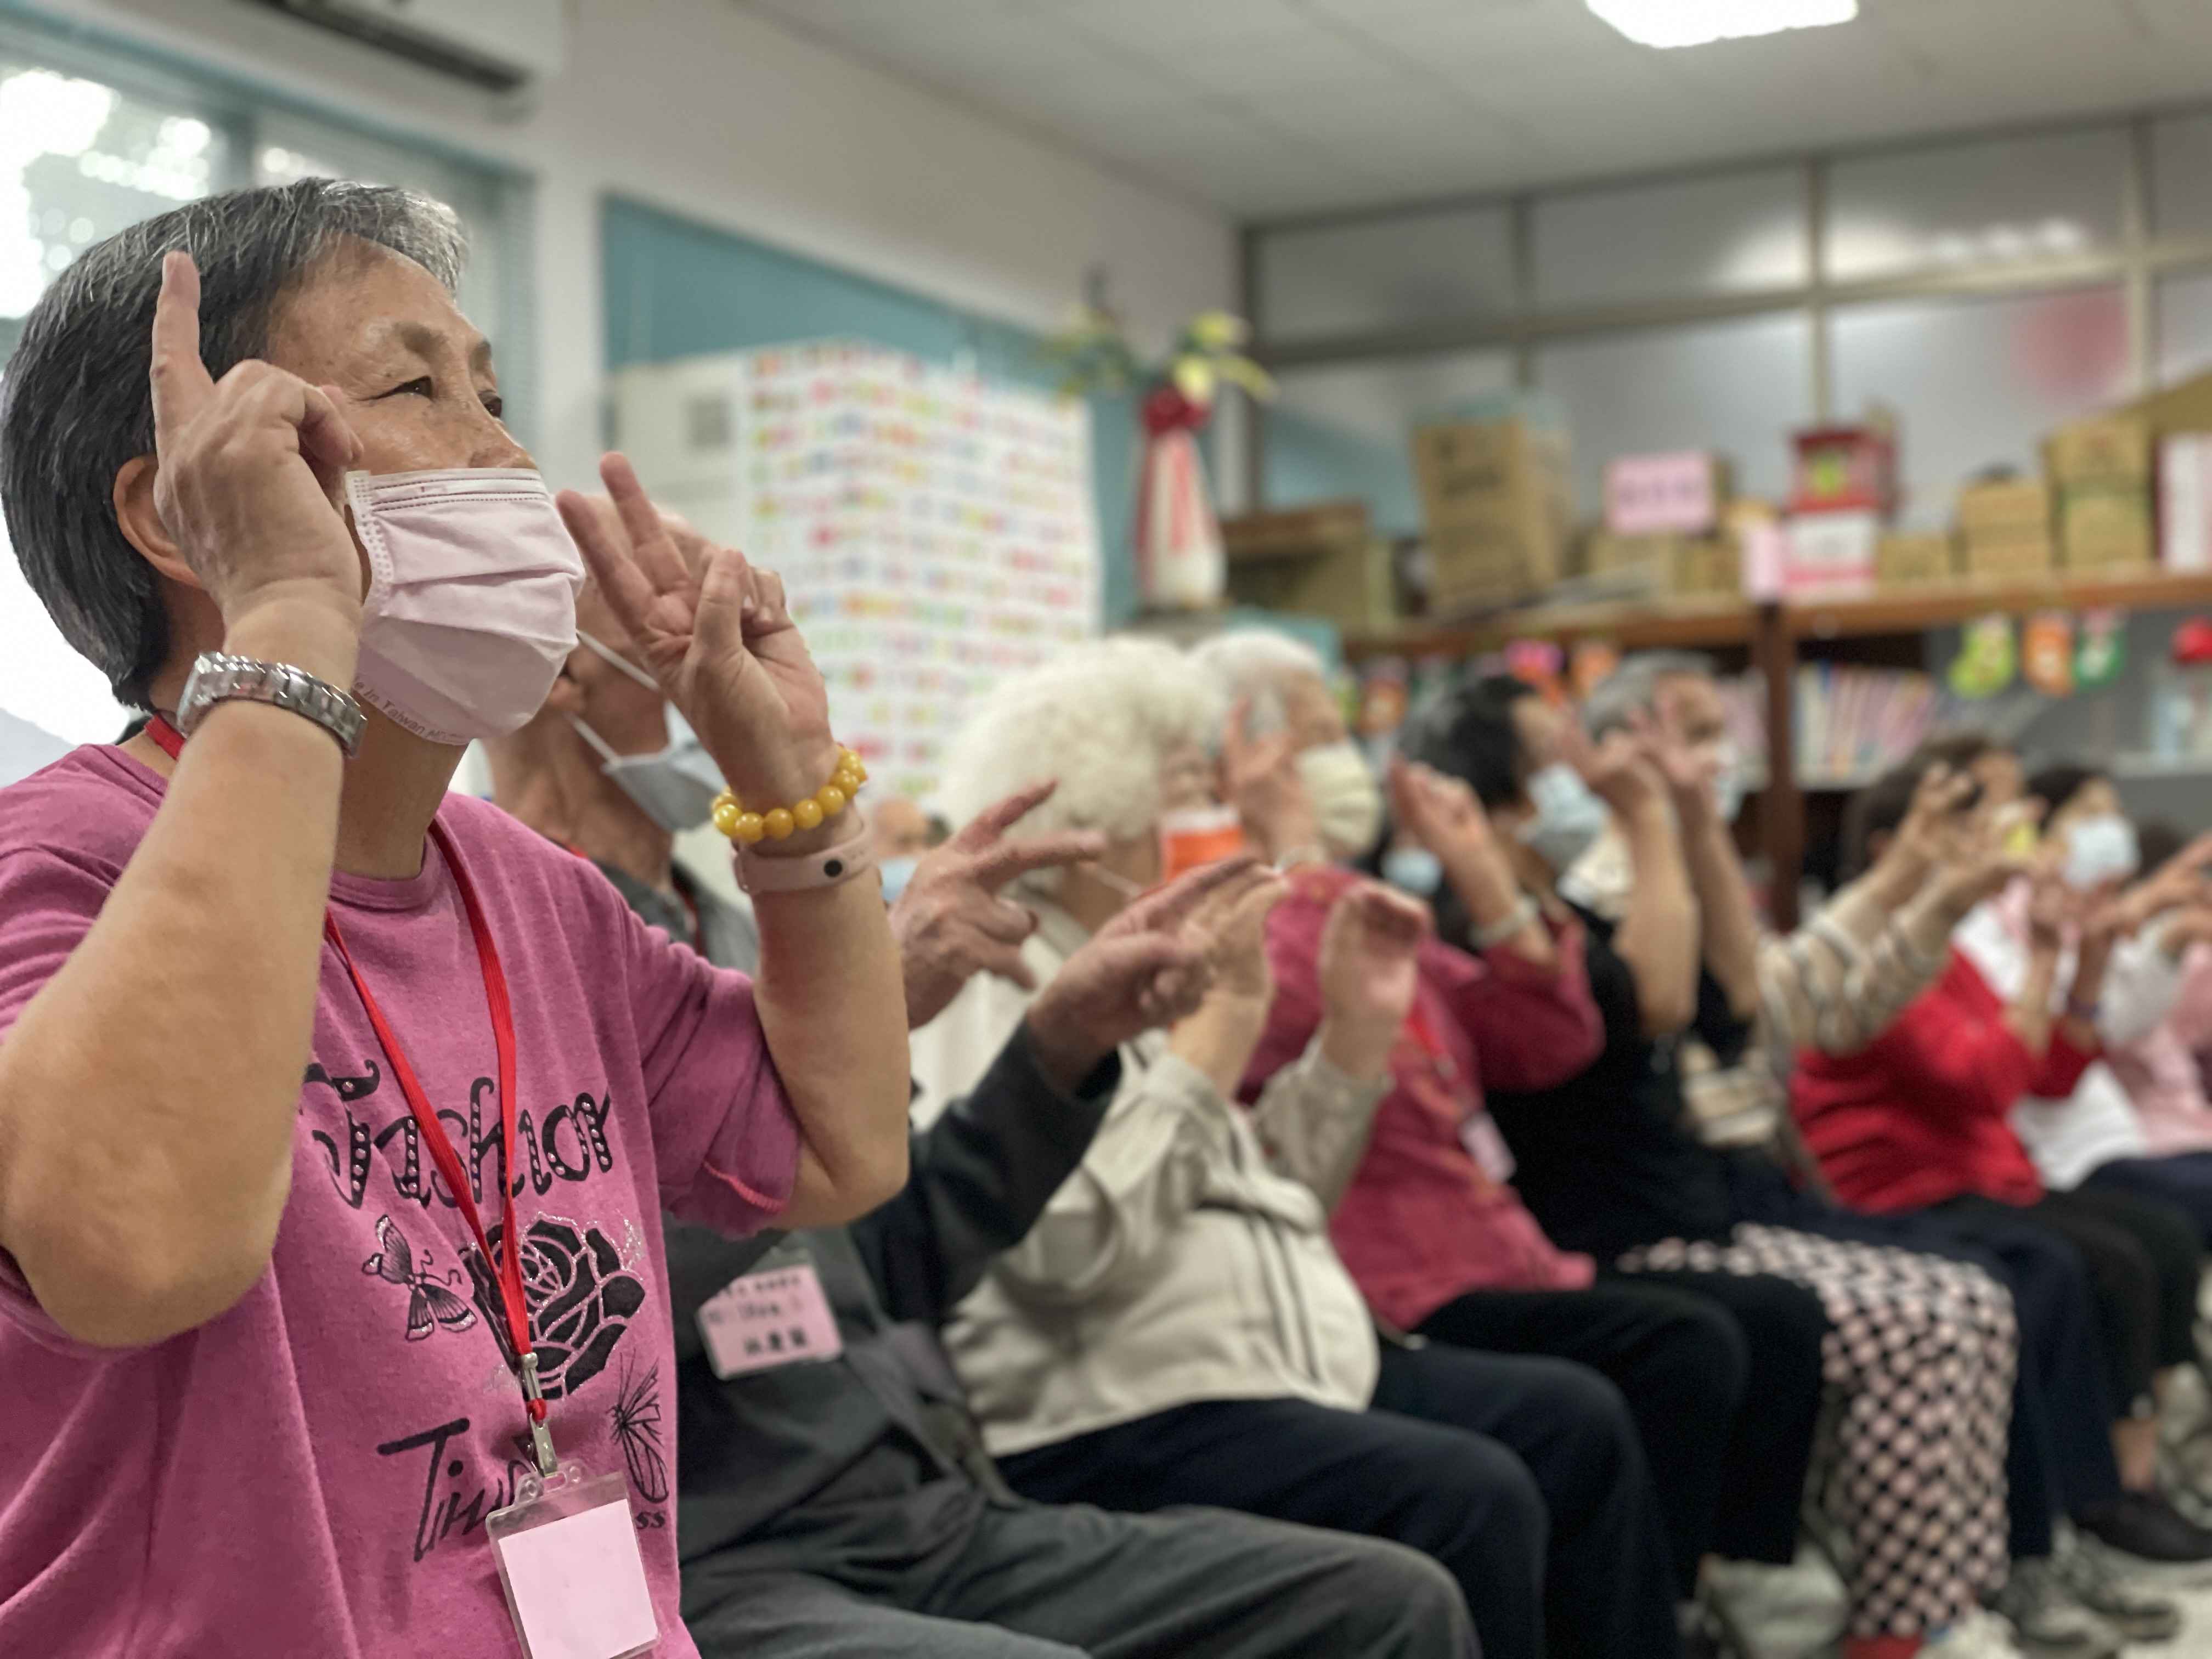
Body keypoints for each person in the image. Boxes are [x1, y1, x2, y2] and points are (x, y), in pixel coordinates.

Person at [0, 182, 914, 1656]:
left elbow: (838, 1143)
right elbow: (134, 1246)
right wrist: (290, 613)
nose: (505, 456)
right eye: (417, 386)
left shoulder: (529, 889)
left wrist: (791, 785)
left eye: (491, 392)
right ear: (179, 510)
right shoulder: (57, 864)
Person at [911, 637, 1685, 1659]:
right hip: (1123, 1406)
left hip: (1280, 1366)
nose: (1213, 821)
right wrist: (1215, 1039)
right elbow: (1057, 1248)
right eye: (1188, 791)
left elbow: (1279, 1197)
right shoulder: (1001, 974)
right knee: (1471, 1494)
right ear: (1092, 822)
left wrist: (1351, 1046)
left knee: (1574, 1424)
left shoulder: (1140, 960)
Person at [1411, 673, 2031, 1659]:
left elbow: (1741, 1001)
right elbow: (1681, 1002)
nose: (1591, 769)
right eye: (1562, 754)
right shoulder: (1551, 901)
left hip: (1704, 1195)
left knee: (1981, 1293)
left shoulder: (1582, 896)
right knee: (1912, 1314)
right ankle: (1865, 1614)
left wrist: (1693, 824)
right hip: (1627, 1221)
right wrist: (1664, 821)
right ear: (1496, 793)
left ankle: (1936, 1603)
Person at [1193, 629, 1753, 1605]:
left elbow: (1550, 1035)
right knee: (1652, 1363)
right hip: (1387, 1280)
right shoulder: (1245, 914)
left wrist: (1479, 869)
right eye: (1315, 736)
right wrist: (1296, 857)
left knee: (1698, 1342)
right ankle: (1667, 1606)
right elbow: (1287, 1002)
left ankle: (1674, 1600)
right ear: (1227, 760)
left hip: (1497, 1247)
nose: (1347, 760)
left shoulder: (1362, 896)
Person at [1799, 748, 2212, 1567]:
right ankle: (2063, 1525)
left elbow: (2056, 1066)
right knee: (2073, 1266)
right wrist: (2056, 963)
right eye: (1968, 826)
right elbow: (1983, 1082)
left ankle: (2117, 1492)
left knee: (2132, 1247)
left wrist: (2076, 958)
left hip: (1985, 1174)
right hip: (1905, 1190)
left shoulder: (1943, 948)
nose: (1991, 845)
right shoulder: (1883, 951)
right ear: (1891, 847)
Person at [1995, 768, 2212, 1245]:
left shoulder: (2082, 915)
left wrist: (2160, 937)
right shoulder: (2019, 922)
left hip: (2126, 1134)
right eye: (2090, 814)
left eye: (2113, 812)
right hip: (2074, 1154)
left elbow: (2115, 1020)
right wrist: (2155, 934)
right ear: (2038, 836)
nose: (2110, 826)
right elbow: (2095, 1036)